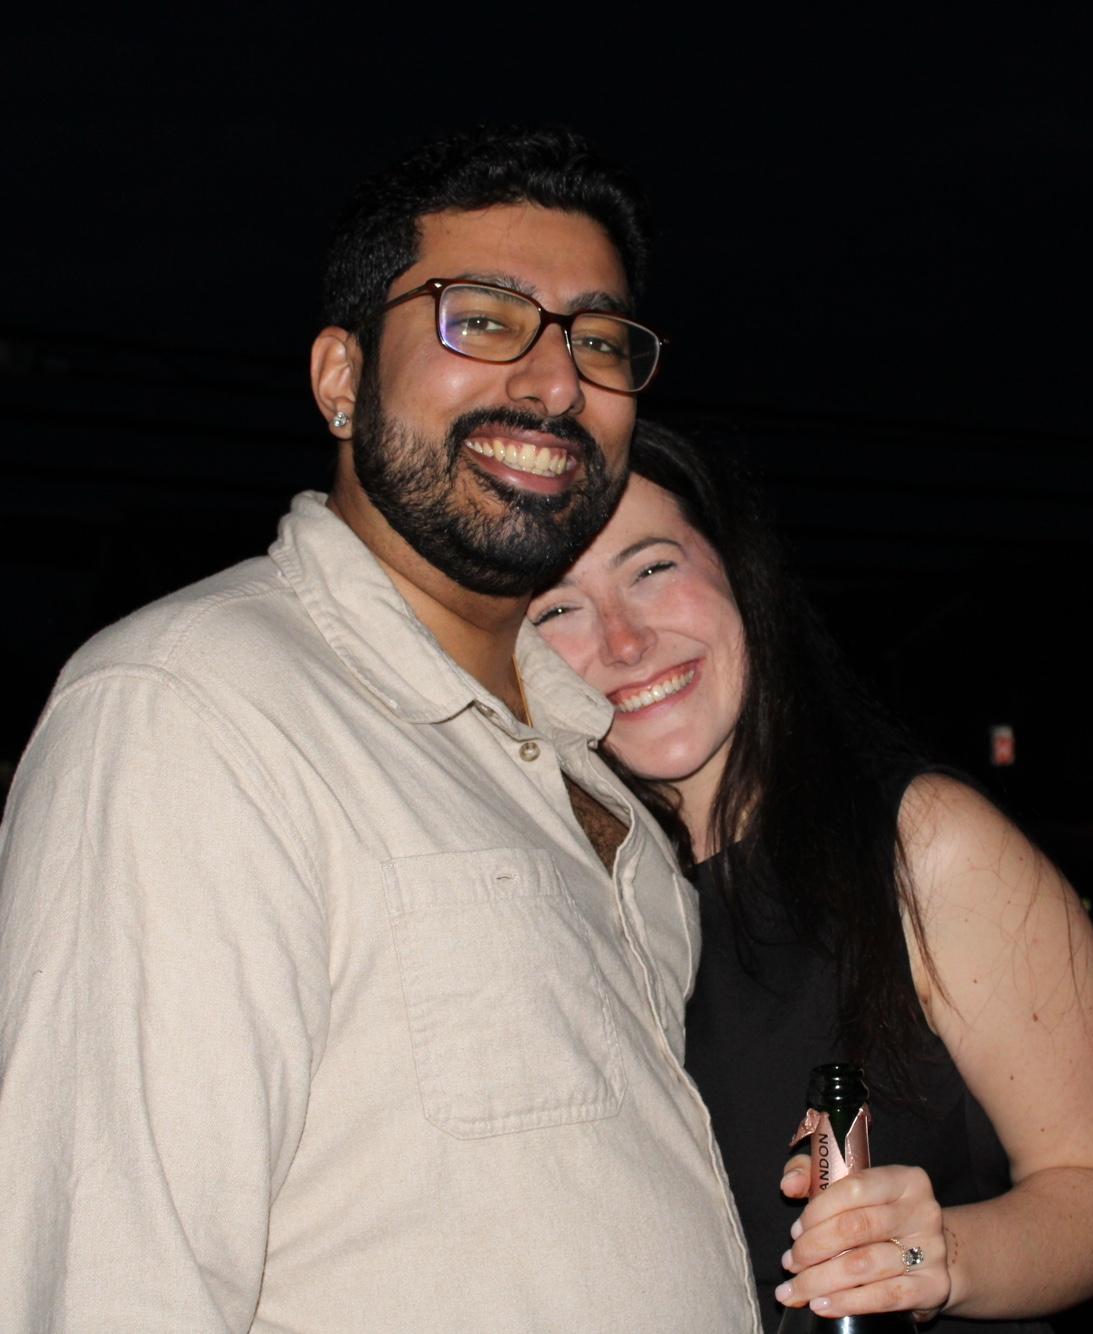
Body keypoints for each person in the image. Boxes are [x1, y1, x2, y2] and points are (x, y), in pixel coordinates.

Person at [0, 132, 760, 1332]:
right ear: (340, 378)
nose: (556, 384)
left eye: (599, 340)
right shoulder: (195, 706)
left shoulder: (590, 767)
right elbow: (112, 1269)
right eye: (483, 319)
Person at [529, 420, 1093, 1331]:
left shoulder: (925, 846)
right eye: (556, 610)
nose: (624, 642)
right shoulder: (552, 903)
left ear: (736, 573)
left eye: (653, 567)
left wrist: (937, 1255)